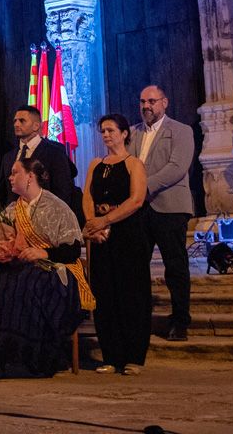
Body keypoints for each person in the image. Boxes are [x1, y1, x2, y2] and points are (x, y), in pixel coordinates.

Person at [0, 158, 91, 379]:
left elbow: (73, 250)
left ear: (30, 177)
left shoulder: (57, 207)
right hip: (19, 267)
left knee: (24, 285)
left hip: (54, 270)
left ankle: (25, 360)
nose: (9, 177)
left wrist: (43, 253)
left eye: (14, 172)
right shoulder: (11, 209)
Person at [85, 112, 151, 374]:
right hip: (102, 237)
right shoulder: (95, 164)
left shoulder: (134, 164)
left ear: (124, 134)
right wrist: (93, 224)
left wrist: (106, 220)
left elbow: (136, 200)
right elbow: (88, 196)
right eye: (103, 131)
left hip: (128, 234)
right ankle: (111, 356)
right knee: (105, 294)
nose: (106, 135)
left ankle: (134, 357)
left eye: (111, 130)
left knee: (131, 294)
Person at [131, 84, 195, 341]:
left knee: (175, 266)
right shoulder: (132, 133)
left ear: (164, 102)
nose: (146, 106)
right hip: (138, 210)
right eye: (142, 101)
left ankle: (180, 321)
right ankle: (138, 319)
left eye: (151, 101)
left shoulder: (181, 130)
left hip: (170, 208)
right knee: (136, 267)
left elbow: (177, 167)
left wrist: (143, 187)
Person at [0, 105, 83, 224]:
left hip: (45, 223)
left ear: (36, 126)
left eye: (22, 121)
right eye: (15, 121)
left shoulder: (55, 152)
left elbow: (63, 191)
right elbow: (1, 194)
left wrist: (53, 221)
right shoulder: (8, 157)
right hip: (12, 224)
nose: (16, 124)